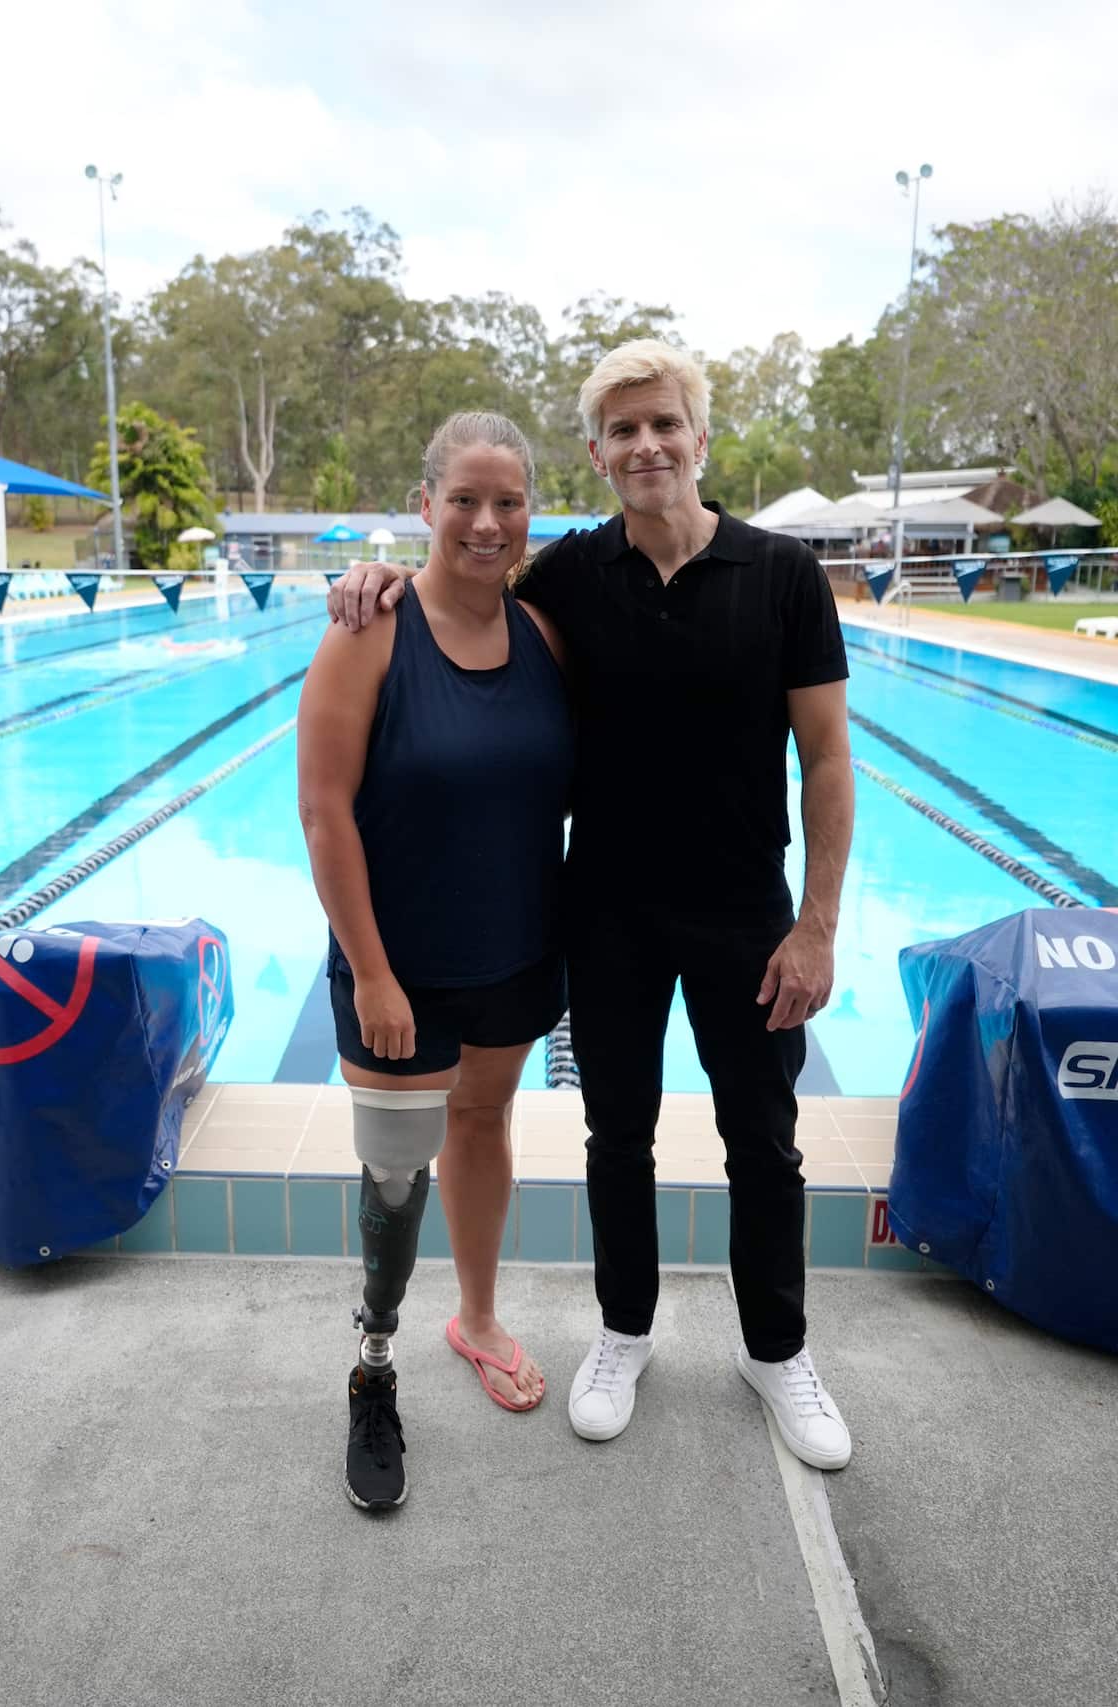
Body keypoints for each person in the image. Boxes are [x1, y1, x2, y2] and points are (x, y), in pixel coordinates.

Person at [328, 341, 856, 1472]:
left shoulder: (780, 577)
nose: (646, 445)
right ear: (597, 453)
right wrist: (368, 578)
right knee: (614, 1137)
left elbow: (824, 761)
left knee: (762, 1141)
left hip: (742, 914)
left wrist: (814, 925)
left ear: (699, 438)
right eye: (622, 430)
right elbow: (456, 589)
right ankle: (623, 1335)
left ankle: (776, 1350)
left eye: (664, 423)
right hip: (604, 912)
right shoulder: (565, 576)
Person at [297, 411, 571, 1511]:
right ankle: (372, 1363)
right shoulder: (369, 630)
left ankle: (477, 1317)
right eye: (464, 498)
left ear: (530, 512)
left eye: (507, 500)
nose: (486, 520)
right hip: (395, 965)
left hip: (512, 950)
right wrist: (369, 971)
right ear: (425, 505)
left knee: (481, 1124)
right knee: (395, 1173)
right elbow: (323, 811)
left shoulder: (547, 637)